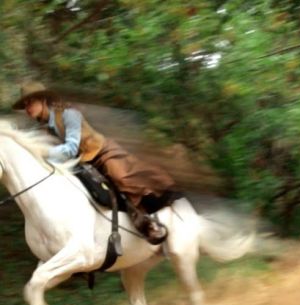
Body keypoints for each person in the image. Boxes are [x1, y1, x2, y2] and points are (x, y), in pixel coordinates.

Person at [12, 81, 179, 244]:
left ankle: (147, 221)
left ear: (43, 100)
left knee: (119, 176)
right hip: (78, 163)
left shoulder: (69, 115)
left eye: (30, 102)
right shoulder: (42, 129)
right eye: (24, 105)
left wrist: (43, 153)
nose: (27, 108)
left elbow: (71, 148)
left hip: (100, 153)